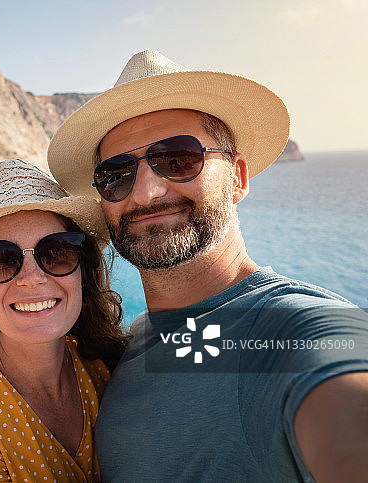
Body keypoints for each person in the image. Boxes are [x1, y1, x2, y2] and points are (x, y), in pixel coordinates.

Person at [47, 50, 368, 482]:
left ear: (237, 177)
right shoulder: (142, 340)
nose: (146, 192)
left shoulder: (294, 331)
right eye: (116, 174)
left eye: (178, 158)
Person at [0, 159, 129, 482]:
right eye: (2, 259)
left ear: (81, 270)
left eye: (56, 252)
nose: (32, 278)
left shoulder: (100, 373)